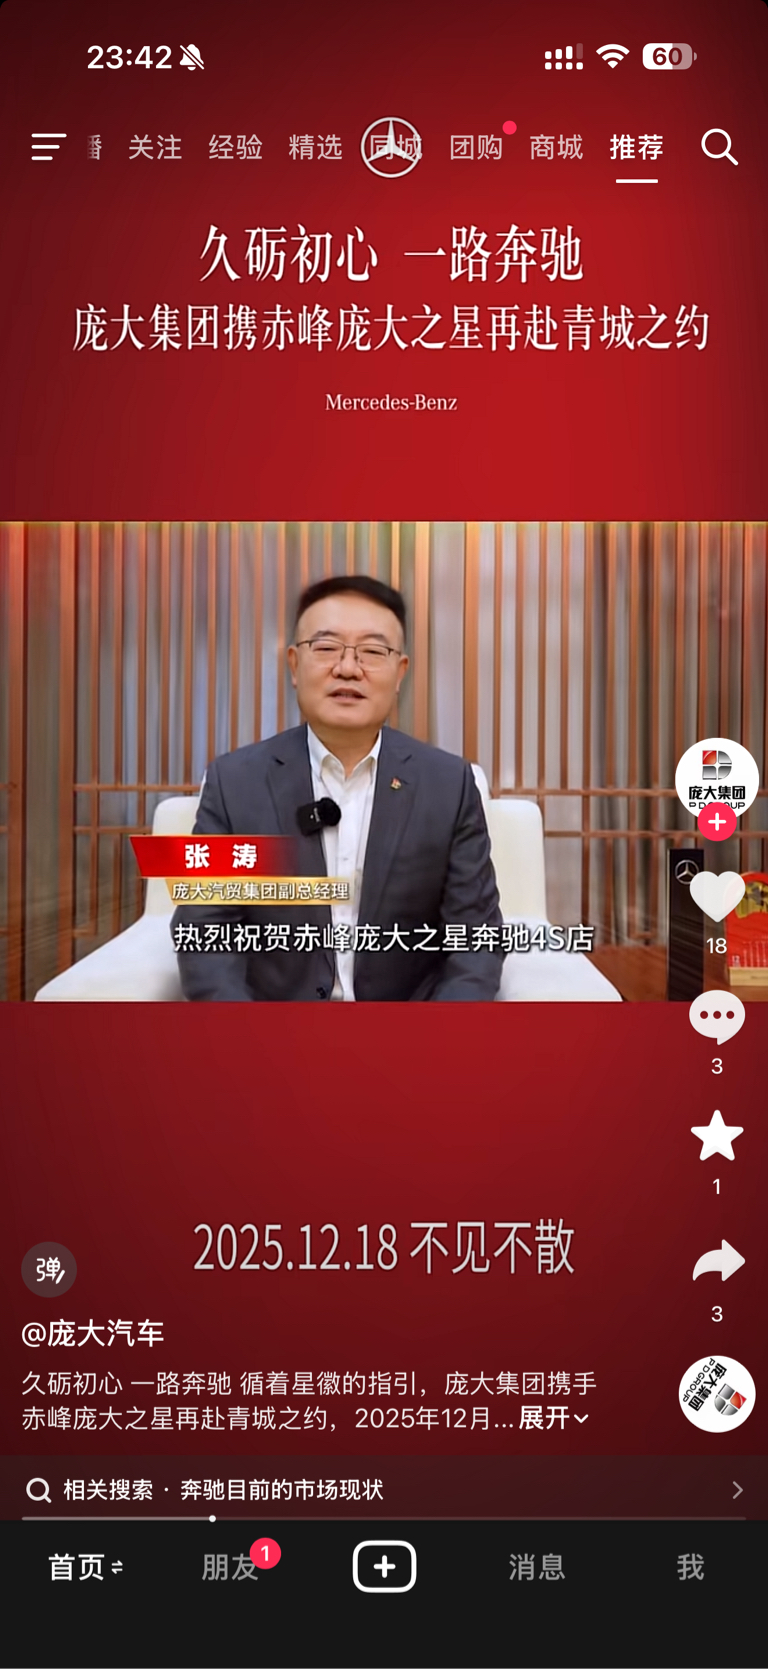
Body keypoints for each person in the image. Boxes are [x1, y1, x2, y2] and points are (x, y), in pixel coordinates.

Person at [172, 575, 503, 1000]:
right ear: (294, 665)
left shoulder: (449, 785)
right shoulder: (235, 782)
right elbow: (204, 932)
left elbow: (477, 939)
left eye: (373, 651)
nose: (348, 668)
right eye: (327, 647)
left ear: (400, 673)